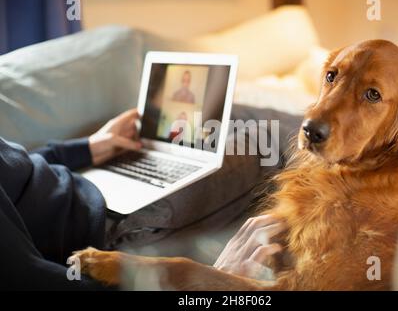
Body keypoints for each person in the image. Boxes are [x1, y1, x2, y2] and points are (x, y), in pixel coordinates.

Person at [0, 108, 283, 290]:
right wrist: (210, 283)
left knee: (235, 122)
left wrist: (86, 148)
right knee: (262, 137)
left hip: (85, 179)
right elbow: (28, 280)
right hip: (107, 224)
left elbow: (13, 165)